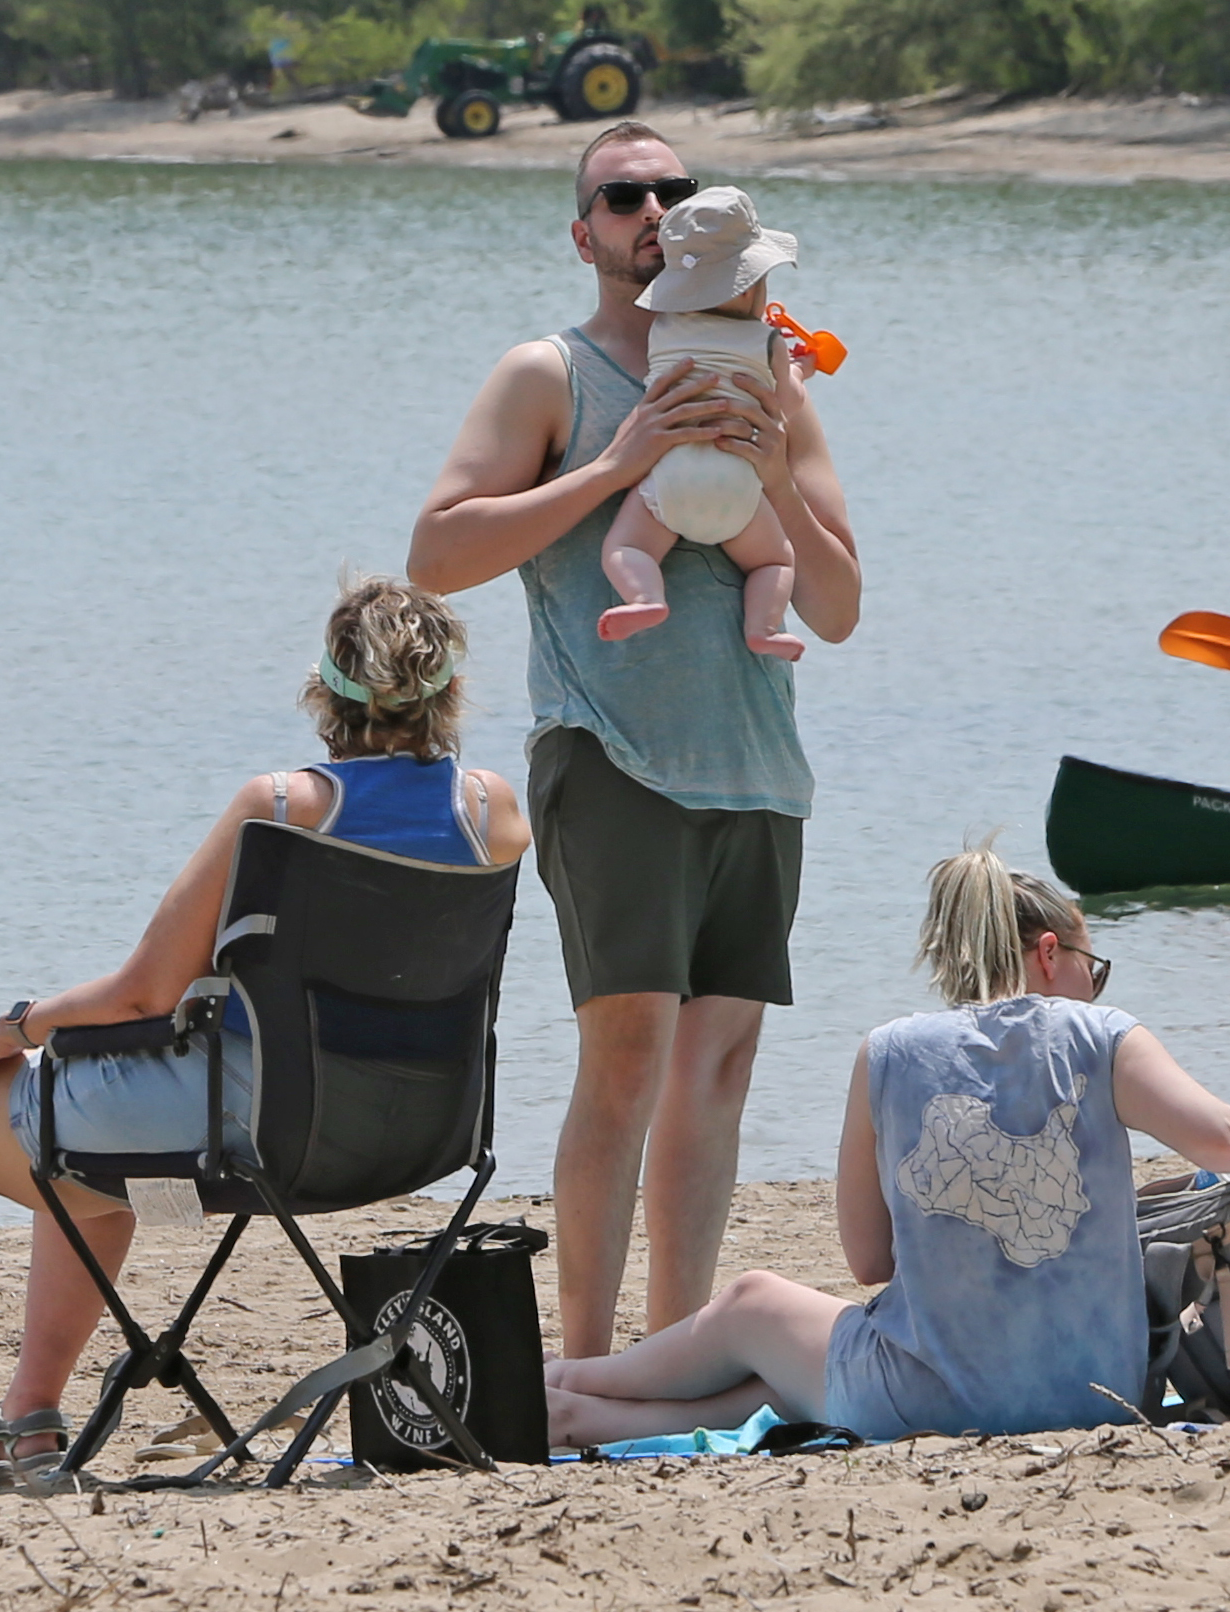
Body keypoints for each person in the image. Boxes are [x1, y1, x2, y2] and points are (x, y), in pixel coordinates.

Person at [0, 577, 530, 1486]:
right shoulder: (493, 813)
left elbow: (141, 992)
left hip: (259, 1137)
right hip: (417, 1140)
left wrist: (12, 1026)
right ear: (446, 689)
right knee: (92, 1115)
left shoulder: (282, 805)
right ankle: (30, 1414)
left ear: (325, 690)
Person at [406, 120, 860, 1356]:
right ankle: (587, 1363)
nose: (651, 209)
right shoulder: (546, 373)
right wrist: (616, 464)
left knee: (716, 1077)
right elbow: (437, 556)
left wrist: (771, 467)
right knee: (625, 1063)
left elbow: (837, 606)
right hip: (613, 756)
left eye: (674, 189)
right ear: (584, 231)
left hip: (759, 769)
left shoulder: (773, 368)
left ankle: (669, 1357)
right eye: (623, 195)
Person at [543, 843, 1230, 1445]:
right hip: (1097, 1394)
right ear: (1045, 953)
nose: (1092, 988)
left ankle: (575, 1382)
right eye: (1088, 969)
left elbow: (868, 1262)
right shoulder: (1102, 1038)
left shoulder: (889, 1051)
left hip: (928, 1400)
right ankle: (586, 1414)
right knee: (776, 1382)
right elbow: (1229, 1141)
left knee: (753, 1303)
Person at [597, 185, 805, 662]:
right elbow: (785, 403)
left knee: (626, 546)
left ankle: (645, 598)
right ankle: (763, 629)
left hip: (670, 483)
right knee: (775, 560)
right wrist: (796, 371)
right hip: (739, 487)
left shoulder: (664, 330)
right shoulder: (768, 340)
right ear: (753, 285)